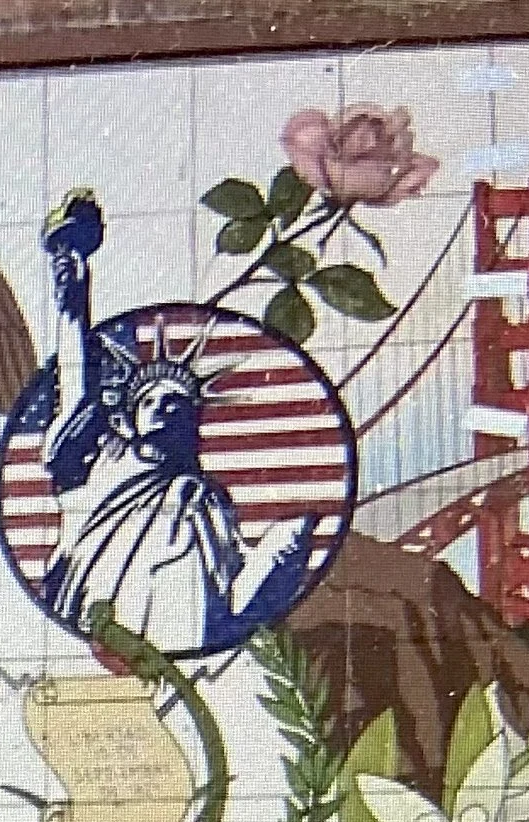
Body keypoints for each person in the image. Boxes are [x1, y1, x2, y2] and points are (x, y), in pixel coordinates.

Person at [33, 191, 316, 655]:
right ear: (129, 419)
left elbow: (234, 588)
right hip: (101, 621)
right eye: (154, 400)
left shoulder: (207, 497)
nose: (167, 407)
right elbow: (76, 386)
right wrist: (72, 296)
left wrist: (282, 552)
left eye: (179, 403)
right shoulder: (100, 461)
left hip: (185, 636)